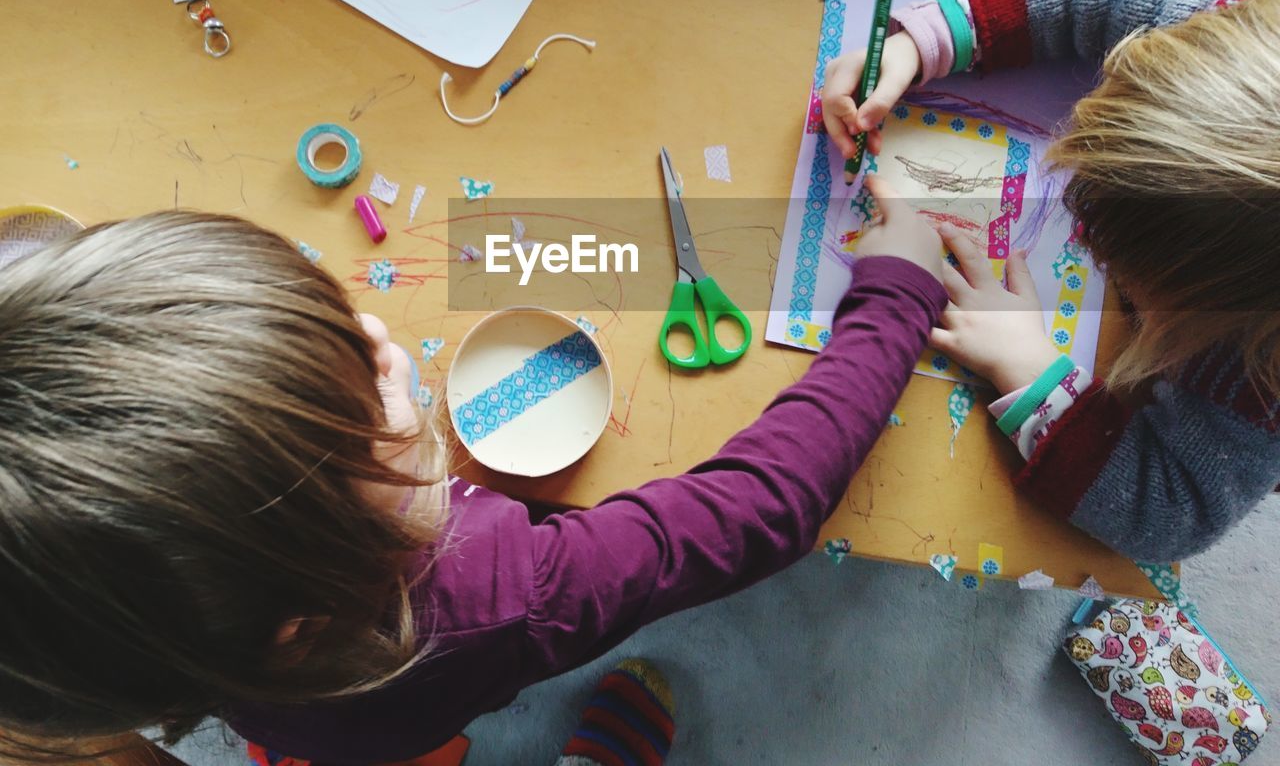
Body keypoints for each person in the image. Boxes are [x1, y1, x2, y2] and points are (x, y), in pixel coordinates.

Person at [0, 198, 943, 763]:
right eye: (375, 412)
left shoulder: (115, 628)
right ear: (307, 608)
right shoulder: (497, 598)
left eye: (341, 334)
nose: (378, 339)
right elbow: (763, 509)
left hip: (287, 715)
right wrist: (897, 288)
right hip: (397, 719)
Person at [821, 0, 1280, 564]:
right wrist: (917, 45)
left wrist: (1027, 366)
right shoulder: (1233, 27)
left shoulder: (1259, 375)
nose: (1077, 228)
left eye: (1117, 257)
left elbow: (1170, 513)